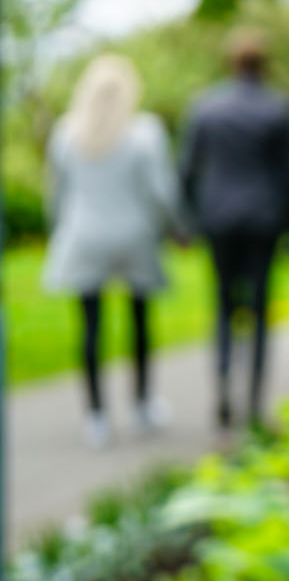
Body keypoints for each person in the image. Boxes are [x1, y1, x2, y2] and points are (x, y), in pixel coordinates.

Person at [41, 53, 185, 448]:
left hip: (84, 235)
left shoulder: (66, 132)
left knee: (90, 328)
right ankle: (141, 405)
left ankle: (96, 416)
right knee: (139, 322)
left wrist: (56, 231)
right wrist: (176, 227)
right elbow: (161, 192)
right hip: (134, 236)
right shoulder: (145, 132)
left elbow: (56, 195)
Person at [181, 26, 289, 432]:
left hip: (218, 218)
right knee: (260, 309)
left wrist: (186, 221)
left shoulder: (206, 107)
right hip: (263, 220)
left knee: (222, 306)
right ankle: (253, 403)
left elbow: (188, 170)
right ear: (263, 64)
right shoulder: (277, 108)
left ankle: (222, 391)